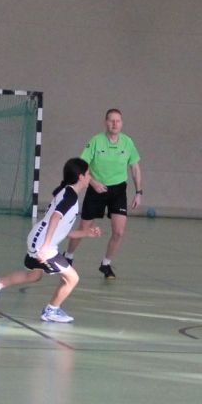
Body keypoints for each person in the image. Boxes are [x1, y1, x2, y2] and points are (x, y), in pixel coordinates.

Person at [0, 158, 102, 324]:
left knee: (33, 275)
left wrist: (85, 233)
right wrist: (46, 246)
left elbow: (62, 230)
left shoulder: (67, 192)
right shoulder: (70, 196)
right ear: (80, 177)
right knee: (72, 278)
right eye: (88, 174)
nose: (90, 177)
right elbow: (55, 218)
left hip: (37, 238)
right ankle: (51, 310)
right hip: (43, 243)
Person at [68, 109, 142, 280]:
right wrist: (93, 183)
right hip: (96, 189)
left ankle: (106, 264)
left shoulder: (127, 142)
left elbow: (135, 168)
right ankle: (69, 256)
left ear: (122, 123)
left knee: (119, 232)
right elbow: (82, 166)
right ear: (105, 122)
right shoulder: (96, 141)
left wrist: (139, 192)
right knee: (84, 228)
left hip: (118, 190)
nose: (115, 124)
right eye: (111, 120)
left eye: (118, 121)